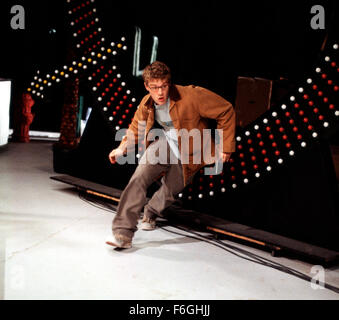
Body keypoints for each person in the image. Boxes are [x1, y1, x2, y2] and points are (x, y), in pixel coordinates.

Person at [106, 61, 236, 249]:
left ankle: (150, 212)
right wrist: (121, 148)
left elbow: (226, 110)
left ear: (169, 83)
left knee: (170, 190)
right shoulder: (147, 103)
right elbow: (136, 129)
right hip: (166, 144)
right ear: (146, 86)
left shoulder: (192, 95)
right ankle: (123, 233)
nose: (160, 93)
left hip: (193, 151)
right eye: (155, 87)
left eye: (164, 86)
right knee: (139, 177)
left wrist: (225, 147)